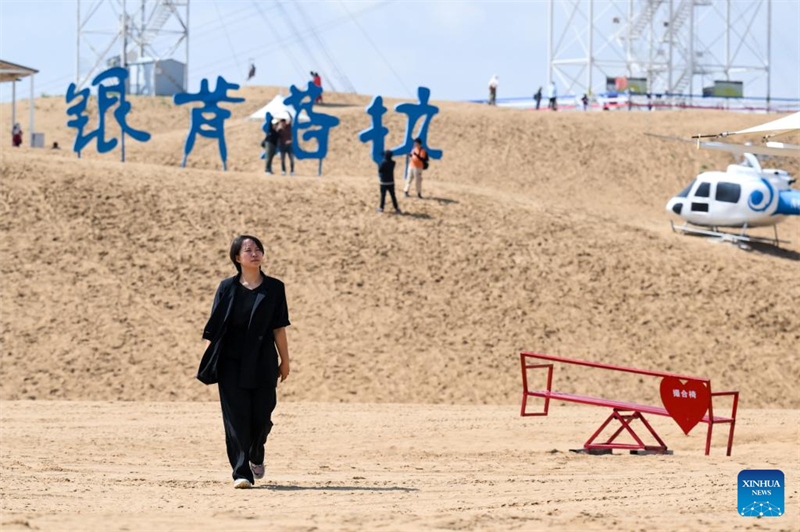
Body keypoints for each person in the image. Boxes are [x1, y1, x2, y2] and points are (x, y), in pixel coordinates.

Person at [198, 235, 291, 489]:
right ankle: (241, 473)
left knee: (262, 415)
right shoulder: (226, 287)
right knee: (236, 419)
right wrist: (210, 360)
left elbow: (279, 328)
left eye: (258, 249)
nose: (254, 253)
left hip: (263, 361)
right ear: (237, 258)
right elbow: (213, 328)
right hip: (230, 361)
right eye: (248, 250)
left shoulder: (274, 288)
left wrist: (285, 361)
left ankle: (256, 450)